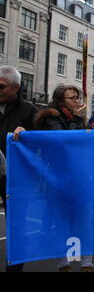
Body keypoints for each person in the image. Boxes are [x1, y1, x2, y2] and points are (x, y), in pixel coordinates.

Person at [34, 84, 94, 272]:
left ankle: (87, 262)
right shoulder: (51, 118)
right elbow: (64, 142)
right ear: (61, 101)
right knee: (62, 222)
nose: (77, 101)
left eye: (78, 97)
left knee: (84, 220)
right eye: (72, 98)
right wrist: (78, 119)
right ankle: (63, 262)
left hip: (80, 178)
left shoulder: (77, 119)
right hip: (59, 179)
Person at [0, 66, 38, 272]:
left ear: (15, 87)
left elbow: (43, 141)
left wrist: (28, 133)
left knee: (16, 225)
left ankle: (14, 268)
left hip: (15, 179)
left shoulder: (29, 110)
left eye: (2, 87)